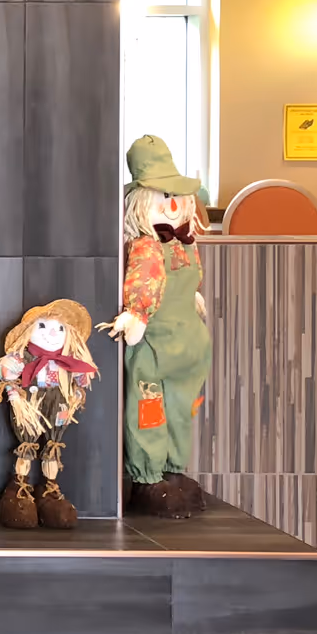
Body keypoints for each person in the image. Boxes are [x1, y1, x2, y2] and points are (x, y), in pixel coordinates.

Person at [104, 135, 212, 519]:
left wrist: (192, 295)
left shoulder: (186, 243)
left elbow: (183, 280)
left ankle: (172, 469)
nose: (172, 204)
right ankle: (148, 477)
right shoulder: (145, 247)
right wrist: (136, 313)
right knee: (148, 410)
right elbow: (143, 285)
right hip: (154, 345)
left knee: (182, 409)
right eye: (162, 195)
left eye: (176, 194)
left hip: (187, 344)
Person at [0, 299, 97, 529]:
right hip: (31, 405)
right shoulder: (24, 358)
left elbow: (82, 380)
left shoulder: (68, 362)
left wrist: (76, 395)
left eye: (59, 328)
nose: (52, 333)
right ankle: (19, 486)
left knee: (53, 446)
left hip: (57, 408)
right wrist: (14, 394)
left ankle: (49, 489)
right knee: (27, 443)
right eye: (42, 326)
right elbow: (6, 372)